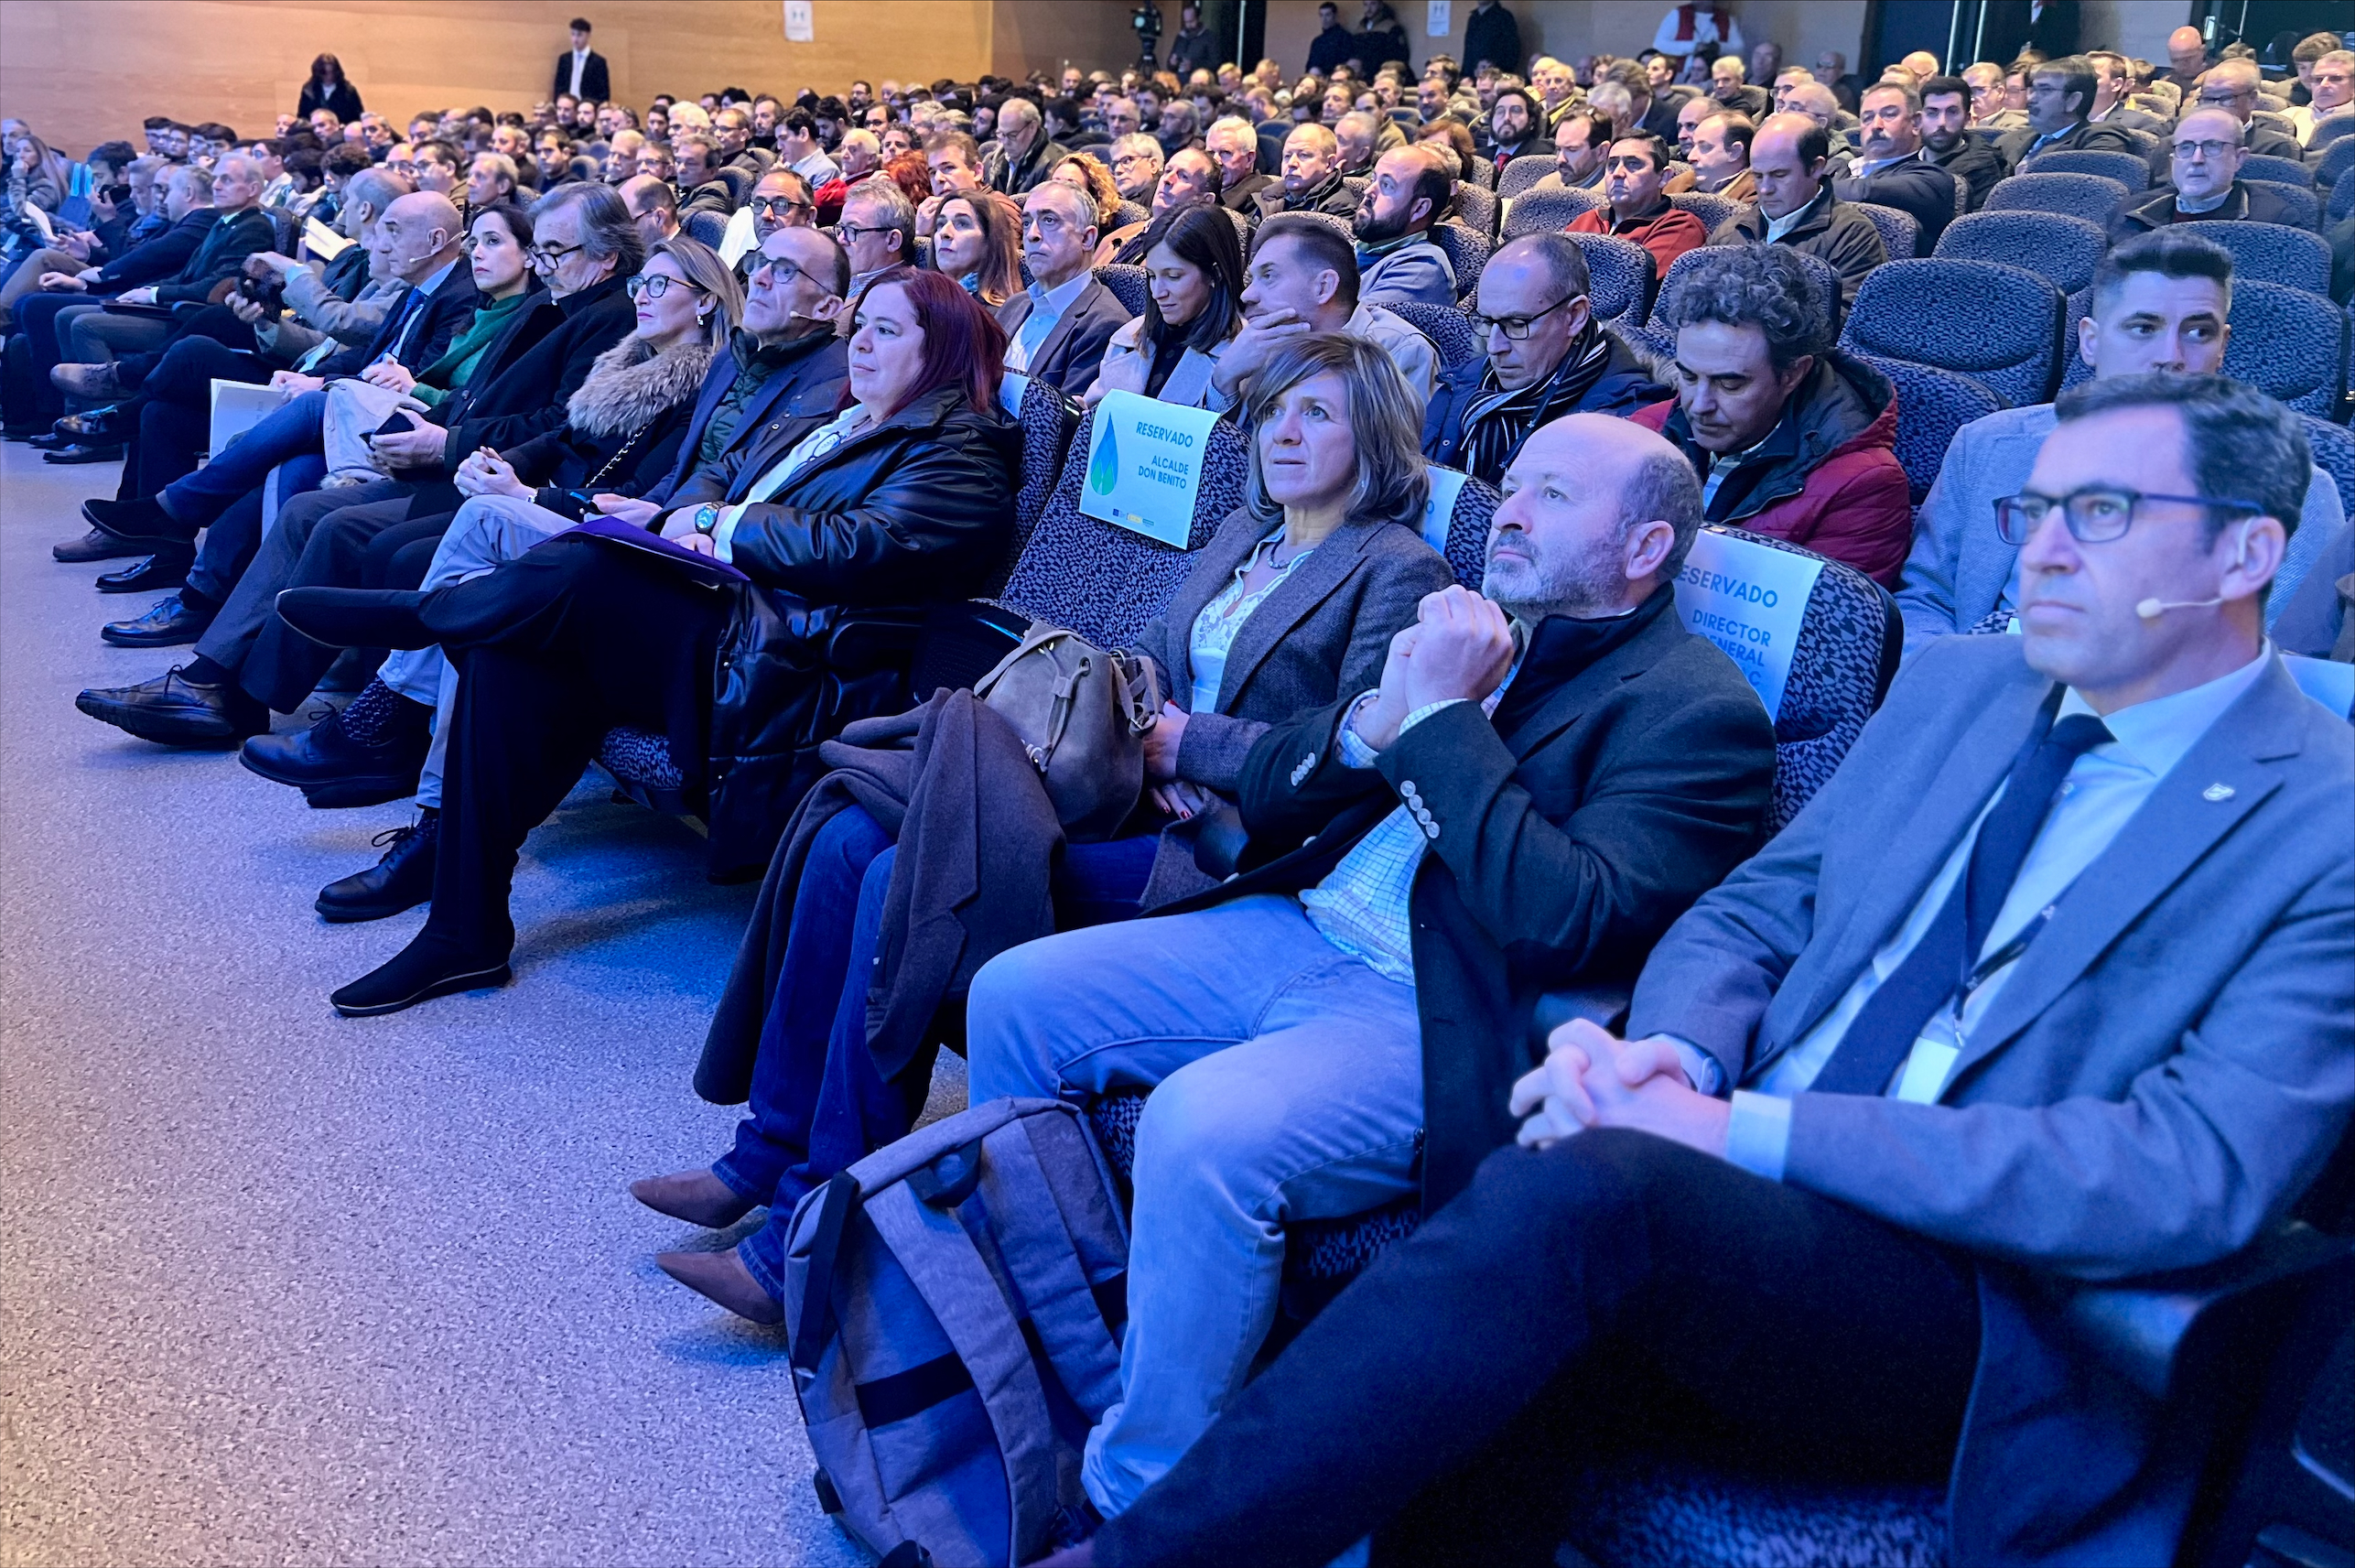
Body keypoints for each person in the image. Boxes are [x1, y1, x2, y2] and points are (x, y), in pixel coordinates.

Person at [1048, 370, 2350, 1568]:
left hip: (1986, 1296)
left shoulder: (2325, 821)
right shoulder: (1964, 684)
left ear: (2246, 550)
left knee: (1576, 1197)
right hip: (1736, 1180)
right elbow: (1750, 915)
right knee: (1517, 1268)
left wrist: (1743, 1128)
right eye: (2036, 507)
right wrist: (1672, 1049)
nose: (2041, 549)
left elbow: (2190, 1177)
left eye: (2103, 513)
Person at [970, 405, 1779, 1526]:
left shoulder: (1695, 712)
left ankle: (1144, 1502)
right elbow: (1276, 790)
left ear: (1644, 549)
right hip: (1296, 922)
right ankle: (1069, 1357)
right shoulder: (1482, 629)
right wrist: (1364, 727)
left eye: (1554, 495)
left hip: (1428, 1002)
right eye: (1516, 483)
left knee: (1203, 1128)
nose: (1510, 510)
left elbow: (1564, 919)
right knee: (1013, 992)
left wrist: (1443, 716)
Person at [645, 331, 1460, 1318]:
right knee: (848, 830)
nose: (1283, 432)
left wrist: (1184, 747)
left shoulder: (1395, 571)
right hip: (1125, 798)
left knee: (904, 871)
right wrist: (1143, 738)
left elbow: (1346, 755)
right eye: (1274, 411)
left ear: (1372, 435)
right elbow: (1145, 656)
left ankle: (807, 1235)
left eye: (1316, 414)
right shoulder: (1245, 534)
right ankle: (766, 1151)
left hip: (1229, 851)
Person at [260, 267, 1014, 1022]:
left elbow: (870, 546)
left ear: (942, 348)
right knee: (510, 655)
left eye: (890, 331)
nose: (863, 346)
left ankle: (427, 615)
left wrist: (721, 525)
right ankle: (465, 929)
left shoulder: (962, 445)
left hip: (795, 664)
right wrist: (669, 520)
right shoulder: (841, 424)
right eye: (864, 327)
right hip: (727, 626)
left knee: (588, 566)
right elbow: (726, 487)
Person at [72, 187, 636, 747]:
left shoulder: (603, 317)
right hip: (461, 453)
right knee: (301, 506)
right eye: (538, 251)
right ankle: (212, 680)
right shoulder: (558, 302)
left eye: (554, 252)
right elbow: (488, 398)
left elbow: (556, 428)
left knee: (330, 515)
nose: (542, 265)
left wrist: (444, 442)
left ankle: (239, 691)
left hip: (493, 475)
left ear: (606, 255)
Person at [244, 234, 745, 829]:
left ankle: (387, 731)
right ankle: (409, 773)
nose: (642, 296)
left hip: (603, 535)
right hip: (557, 504)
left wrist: (530, 494)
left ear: (707, 302)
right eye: (642, 283)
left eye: (660, 285)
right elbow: (563, 436)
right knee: (381, 525)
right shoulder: (626, 360)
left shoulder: (702, 385)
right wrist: (501, 465)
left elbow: (641, 494)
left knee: (426, 557)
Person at [1898, 230, 2346, 653]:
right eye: (2143, 328)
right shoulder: (1988, 445)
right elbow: (1926, 597)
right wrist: (1947, 684)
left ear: (2222, 346)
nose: (2170, 356)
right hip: (1972, 695)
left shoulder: (2299, 497)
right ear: (2090, 342)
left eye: (2198, 332)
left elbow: (2273, 665)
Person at [1633, 243, 1912, 584]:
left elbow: (1826, 629)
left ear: (1792, 374)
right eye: (1688, 376)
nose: (1698, 404)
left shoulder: (1863, 485)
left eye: (1730, 384)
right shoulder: (1645, 430)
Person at [1424, 233, 1666, 484]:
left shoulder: (1626, 424)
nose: (1494, 347)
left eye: (1517, 324)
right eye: (1486, 322)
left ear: (1574, 316)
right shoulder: (1463, 380)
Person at [1214, 213, 1435, 412]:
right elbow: (1225, 452)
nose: (1246, 295)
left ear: (1323, 287)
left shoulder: (1399, 353)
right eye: (1252, 279)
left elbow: (1395, 454)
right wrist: (1225, 377)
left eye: (1269, 276)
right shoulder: (1262, 345)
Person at [1706, 114, 1887, 313]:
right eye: (1758, 176)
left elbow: (1845, 322)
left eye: (1779, 175)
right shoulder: (1731, 230)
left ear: (1816, 167)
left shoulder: (1853, 236)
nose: (1765, 189)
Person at [1091, 202, 1244, 409]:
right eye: (1152, 276)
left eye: (1173, 276)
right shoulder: (1128, 335)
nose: (1157, 293)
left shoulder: (1244, 356)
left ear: (1214, 274)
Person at [998, 181, 1131, 398]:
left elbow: (1061, 425)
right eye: (1026, 223)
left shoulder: (1104, 324)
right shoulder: (1014, 305)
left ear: (1087, 238)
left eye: (1049, 220)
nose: (1032, 235)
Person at [2111, 110, 2306, 238]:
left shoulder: (2273, 222)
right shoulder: (2130, 212)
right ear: (2173, 160)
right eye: (2185, 148)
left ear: (2239, 158)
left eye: (2212, 146)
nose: (2197, 158)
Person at [1832, 82, 1955, 254]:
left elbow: (1866, 191)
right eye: (1867, 118)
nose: (1876, 125)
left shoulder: (1933, 179)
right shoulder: (1838, 166)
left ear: (1916, 123)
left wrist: (1810, 189)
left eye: (1889, 115)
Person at [1566, 133, 1706, 274]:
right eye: (1612, 164)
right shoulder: (1587, 220)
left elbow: (1632, 287)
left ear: (1663, 177)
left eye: (1633, 164)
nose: (1618, 173)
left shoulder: (1678, 226)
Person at [1350, 144, 1454, 308]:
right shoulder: (1359, 248)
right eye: (1373, 179)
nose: (1368, 191)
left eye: (1387, 185)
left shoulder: (1421, 269)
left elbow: (1347, 330)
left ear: (1419, 209)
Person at [1996, 55, 2135, 167]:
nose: (2031, 98)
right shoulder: (2008, 140)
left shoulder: (2101, 139)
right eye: (2033, 89)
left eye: (2045, 90)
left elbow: (2078, 191)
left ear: (2073, 100)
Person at [1096, 147, 1216, 265]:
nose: (1167, 179)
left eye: (1183, 176)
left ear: (1204, 201)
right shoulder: (1120, 234)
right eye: (1168, 171)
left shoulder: (1191, 255)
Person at [2186, 58, 2306, 162]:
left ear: (2252, 99)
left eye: (2227, 98)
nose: (2216, 107)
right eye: (2208, 99)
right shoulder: (2178, 144)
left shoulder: (2275, 148)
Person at [1919, 75, 2004, 212]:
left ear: (1967, 119)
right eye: (1932, 113)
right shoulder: (1903, 154)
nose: (1942, 122)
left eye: (1952, 112)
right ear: (1919, 118)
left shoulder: (1982, 168)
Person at [929, 187, 1021, 308]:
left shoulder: (1000, 314)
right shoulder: (920, 302)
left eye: (962, 223)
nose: (944, 233)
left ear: (989, 241)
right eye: (940, 224)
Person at [1252, 123, 1358, 221]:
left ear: (1329, 163)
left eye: (1304, 155)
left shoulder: (1339, 209)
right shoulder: (1269, 196)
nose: (1291, 163)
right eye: (1287, 156)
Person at [837, 174, 914, 298]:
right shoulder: (835, 280)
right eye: (842, 228)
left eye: (853, 230)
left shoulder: (901, 298)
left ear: (892, 241)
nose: (841, 240)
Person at [987, 98, 1066, 196]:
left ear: (1032, 128)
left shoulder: (1055, 164)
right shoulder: (995, 159)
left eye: (1012, 135)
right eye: (1001, 134)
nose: (1006, 142)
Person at [1203, 116, 1272, 212]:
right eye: (1210, 153)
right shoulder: (1201, 189)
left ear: (1249, 158)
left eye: (1225, 152)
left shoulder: (1261, 197)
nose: (1215, 160)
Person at [1685, 108, 1755, 200]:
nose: (1690, 157)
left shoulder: (1755, 195)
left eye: (1704, 147)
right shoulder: (1682, 181)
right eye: (1693, 146)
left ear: (1735, 151)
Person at [1485, 89, 1554, 176]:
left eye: (1516, 111)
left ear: (1532, 121)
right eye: (1500, 111)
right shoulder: (1478, 158)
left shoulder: (1542, 158)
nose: (1507, 118)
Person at [1540, 108, 1612, 191]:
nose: (1560, 159)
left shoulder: (1614, 199)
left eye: (1572, 149)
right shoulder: (1545, 187)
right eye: (1558, 149)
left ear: (1601, 152)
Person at [1654, 0, 1742, 65]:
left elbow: (1738, 48)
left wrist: (1718, 47)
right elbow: (1659, 44)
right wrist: (1693, 47)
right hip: (1682, 72)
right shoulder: (1678, 14)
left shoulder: (1725, 19)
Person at [553, 16, 610, 103]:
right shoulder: (564, 59)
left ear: (588, 35)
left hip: (588, 107)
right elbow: (558, 87)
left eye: (579, 35)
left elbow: (603, 92)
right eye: (573, 34)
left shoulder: (598, 62)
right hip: (567, 106)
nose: (575, 39)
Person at [297, 54, 364, 124]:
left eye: (332, 72)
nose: (329, 76)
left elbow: (357, 117)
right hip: (314, 130)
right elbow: (303, 117)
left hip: (341, 131)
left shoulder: (348, 91)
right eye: (324, 73)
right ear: (317, 73)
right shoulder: (308, 90)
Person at [1462, 0, 1519, 75]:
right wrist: (1465, 75)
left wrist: (1494, 68)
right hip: (1473, 76)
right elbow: (1468, 51)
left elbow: (1512, 50)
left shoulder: (1504, 17)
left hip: (1496, 76)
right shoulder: (1473, 18)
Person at [1164, 3, 1217, 79]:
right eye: (1186, 22)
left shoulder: (1209, 37)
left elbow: (1216, 63)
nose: (1189, 25)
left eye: (1192, 21)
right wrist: (1172, 63)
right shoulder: (1180, 37)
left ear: (1198, 18)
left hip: (1199, 83)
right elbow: (1170, 64)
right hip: (1180, 82)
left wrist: (1193, 65)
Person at [1306, 0, 1354, 76]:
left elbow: (1345, 66)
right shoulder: (1317, 41)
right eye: (1321, 15)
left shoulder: (1345, 38)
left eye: (1328, 15)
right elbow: (1309, 66)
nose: (1324, 19)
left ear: (1335, 16)